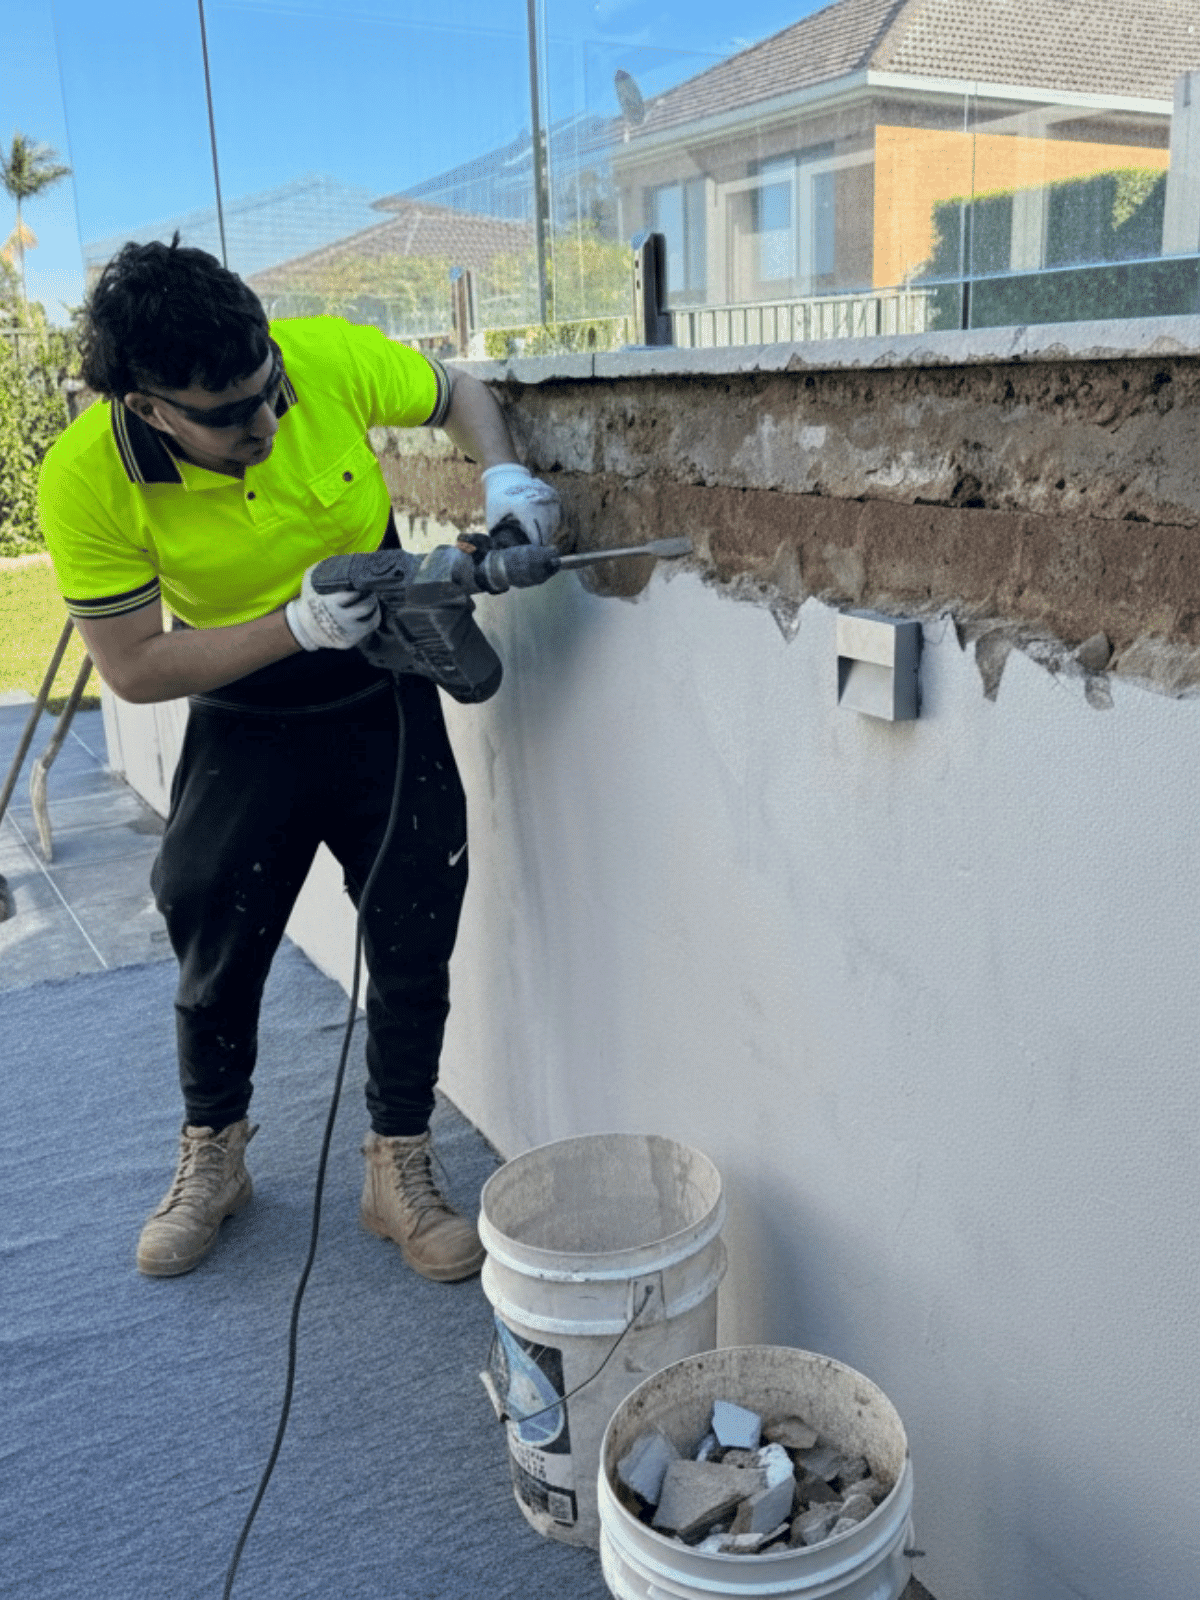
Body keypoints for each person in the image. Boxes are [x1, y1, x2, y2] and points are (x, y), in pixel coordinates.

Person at [37, 236, 561, 1282]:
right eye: (230, 415)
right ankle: (214, 1156)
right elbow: (135, 667)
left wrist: (503, 470)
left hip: (385, 692)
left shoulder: (317, 358)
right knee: (213, 929)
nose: (267, 423)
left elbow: (457, 390)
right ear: (147, 408)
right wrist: (296, 625)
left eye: (266, 389)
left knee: (415, 924)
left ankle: (397, 1169)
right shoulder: (85, 479)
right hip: (243, 710)